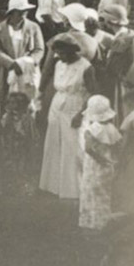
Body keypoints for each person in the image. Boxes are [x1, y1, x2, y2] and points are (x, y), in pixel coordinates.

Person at [39, 37, 96, 200]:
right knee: (54, 143)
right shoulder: (58, 64)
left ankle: (73, 189)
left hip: (75, 106)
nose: (59, 56)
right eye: (57, 53)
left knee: (73, 146)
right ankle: (52, 185)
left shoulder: (86, 67)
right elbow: (56, 87)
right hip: (57, 106)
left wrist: (81, 114)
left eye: (62, 53)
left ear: (72, 51)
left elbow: (93, 92)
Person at [0, 0, 45, 107]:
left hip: (27, 70)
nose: (23, 15)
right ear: (11, 13)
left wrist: (28, 62)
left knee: (27, 99)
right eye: (20, 12)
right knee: (5, 98)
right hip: (5, 70)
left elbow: (39, 49)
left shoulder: (33, 27)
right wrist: (12, 64)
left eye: (25, 12)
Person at [80, 95, 122, 230]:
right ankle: (103, 220)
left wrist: (100, 159)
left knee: (91, 191)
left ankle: (90, 221)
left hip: (94, 165)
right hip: (108, 165)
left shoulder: (92, 129)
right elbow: (117, 145)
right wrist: (111, 159)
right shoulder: (112, 129)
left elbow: (88, 148)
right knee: (104, 192)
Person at [97, 4, 134, 122]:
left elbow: (113, 68)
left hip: (117, 84)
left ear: (110, 21)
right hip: (124, 80)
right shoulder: (127, 35)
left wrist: (99, 65)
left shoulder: (123, 41)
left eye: (103, 19)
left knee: (116, 113)